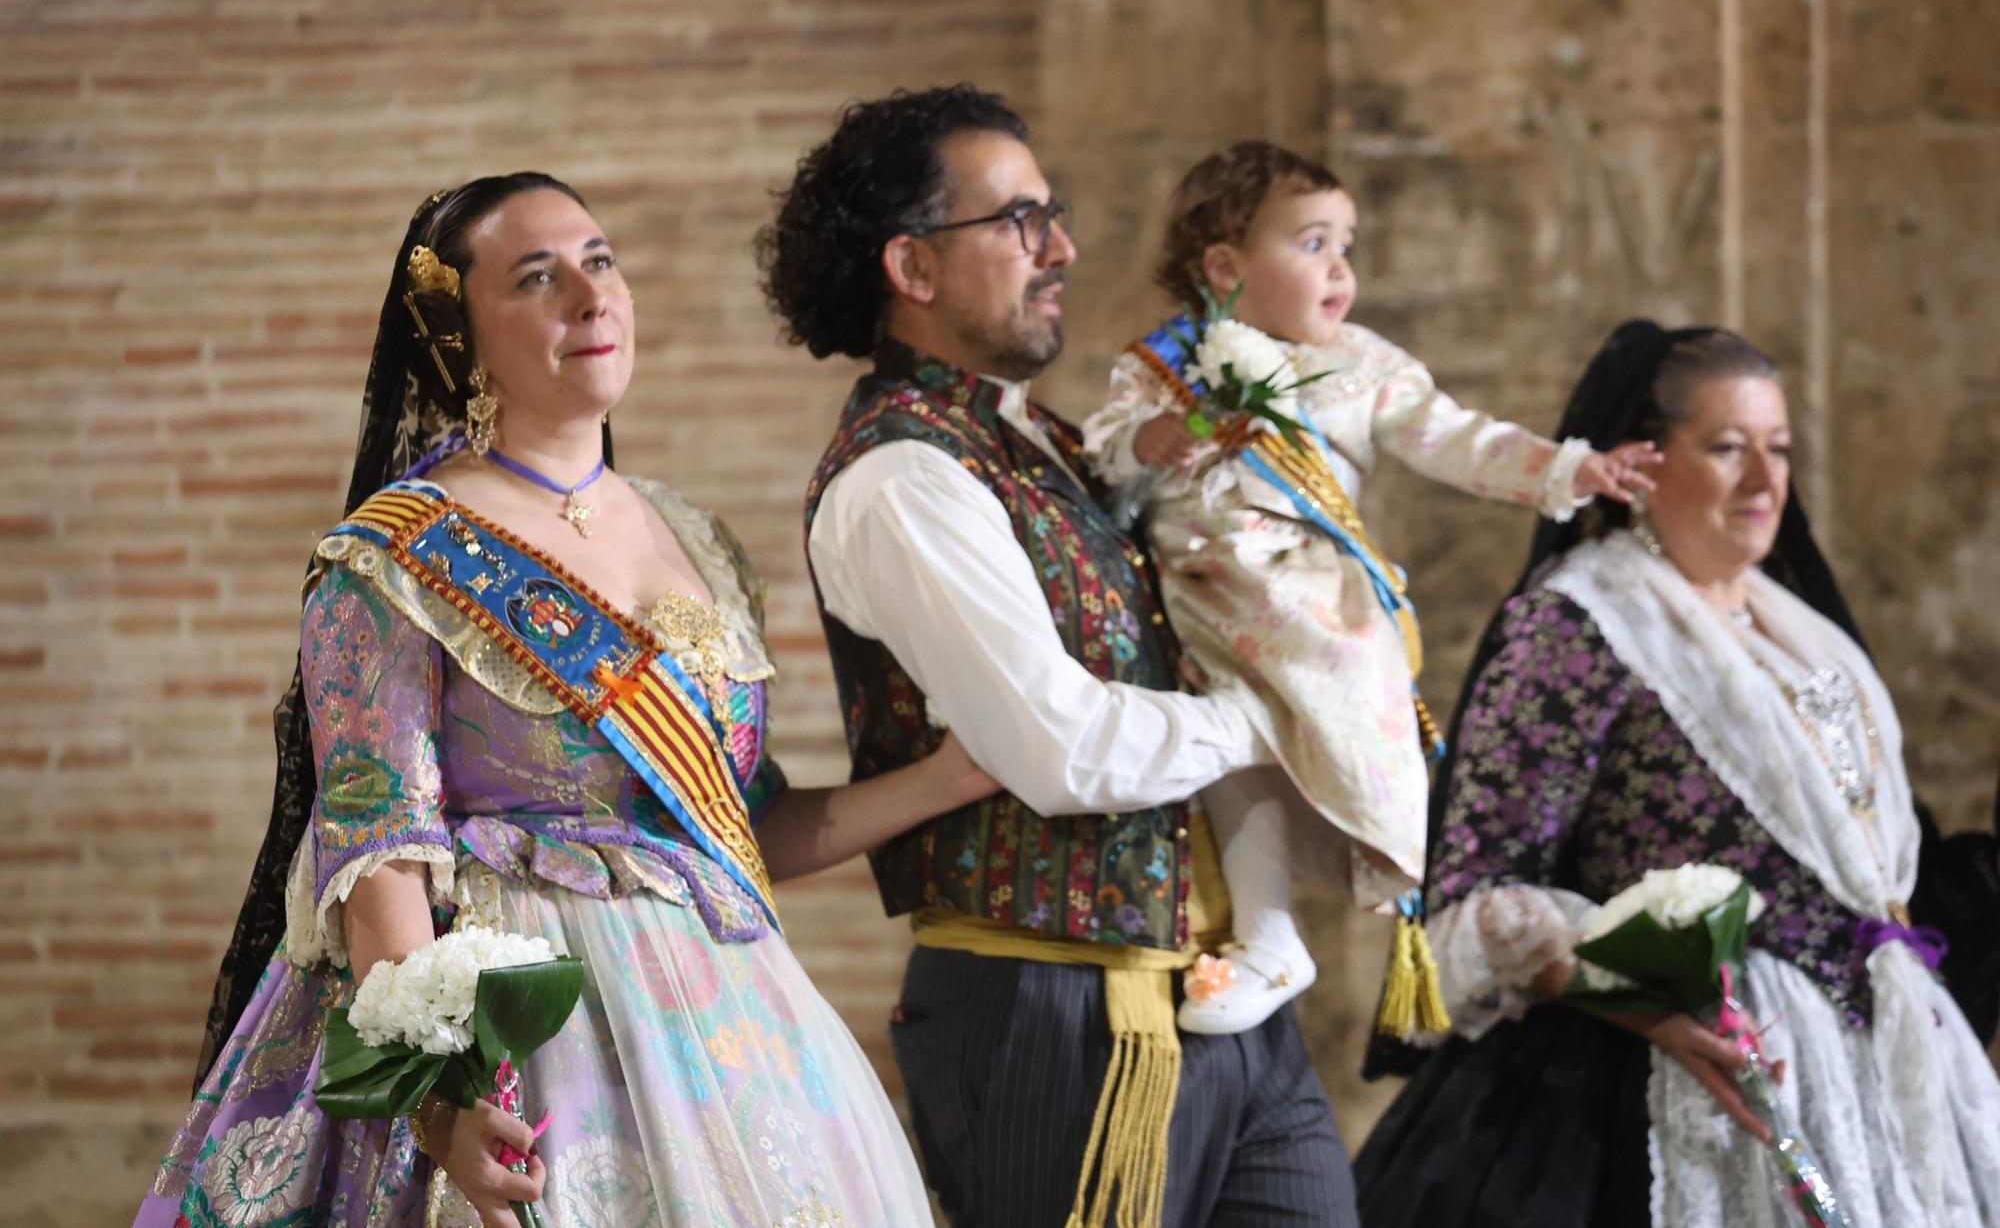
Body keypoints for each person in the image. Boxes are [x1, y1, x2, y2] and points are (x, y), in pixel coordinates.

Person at [136, 174, 993, 1227]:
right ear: (457, 333)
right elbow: (378, 848)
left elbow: (739, 821)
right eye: (537, 278)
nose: (591, 299)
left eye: (600, 261)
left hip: (727, 1032)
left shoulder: (697, 537)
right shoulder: (394, 554)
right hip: (512, 1031)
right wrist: (439, 1107)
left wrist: (951, 775)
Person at [761, 88, 1359, 1226]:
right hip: (1057, 1014)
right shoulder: (903, 479)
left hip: (1225, 998)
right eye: (1019, 220)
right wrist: (1280, 712)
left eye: (1054, 214)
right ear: (914, 267)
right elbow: (1061, 748)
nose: (1062, 248)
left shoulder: (1043, 440)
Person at [1352, 321, 2000, 1227]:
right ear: (1647, 463)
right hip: (1663, 1080)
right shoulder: (1577, 625)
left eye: (1778, 449)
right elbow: (1477, 889)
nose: (1767, 480)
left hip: (1866, 1084)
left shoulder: (1800, 632)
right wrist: (1647, 1003)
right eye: (1729, 448)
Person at [1081, 141, 1661, 1033]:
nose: (1340, 267)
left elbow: (1458, 438)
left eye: (1347, 244)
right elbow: (1106, 447)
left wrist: (1569, 469)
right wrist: (1149, 440)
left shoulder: (1361, 366)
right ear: (1226, 266)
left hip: (1300, 601)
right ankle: (1268, 935)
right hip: (1184, 601)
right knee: (1240, 754)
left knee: (1283, 715)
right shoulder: (1161, 365)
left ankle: (1321, 913)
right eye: (1313, 242)